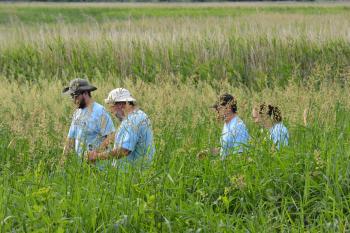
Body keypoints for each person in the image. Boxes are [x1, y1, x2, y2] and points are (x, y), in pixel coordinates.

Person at [88, 88, 155, 167]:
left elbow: (124, 151)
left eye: (112, 106)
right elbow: (119, 137)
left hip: (132, 174)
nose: (111, 111)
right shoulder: (137, 115)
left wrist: (96, 157)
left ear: (120, 105)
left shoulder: (132, 120)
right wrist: (99, 149)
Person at [61, 78, 115, 166]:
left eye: (75, 96)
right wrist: (63, 162)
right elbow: (70, 139)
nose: (74, 100)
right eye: (72, 97)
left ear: (85, 93)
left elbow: (110, 136)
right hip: (81, 167)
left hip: (99, 167)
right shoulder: (77, 113)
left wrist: (95, 154)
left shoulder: (99, 111)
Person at [197, 93, 249, 159]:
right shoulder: (227, 124)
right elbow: (226, 149)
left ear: (228, 107)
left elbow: (240, 155)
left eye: (218, 109)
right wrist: (208, 152)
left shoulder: (239, 126)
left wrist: (218, 163)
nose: (217, 112)